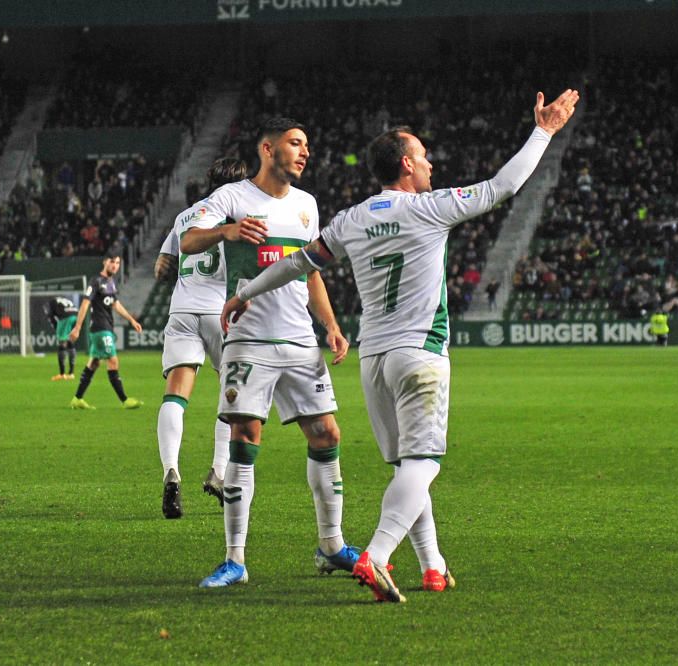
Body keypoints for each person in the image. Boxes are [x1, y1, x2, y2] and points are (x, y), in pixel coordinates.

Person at [222, 89, 580, 602]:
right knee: (424, 463)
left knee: (407, 465)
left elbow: (298, 263)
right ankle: (378, 555)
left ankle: (432, 564)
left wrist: (245, 293)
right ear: (408, 164)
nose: (432, 163)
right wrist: (544, 131)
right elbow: (504, 186)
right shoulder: (432, 207)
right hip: (421, 355)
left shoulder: (351, 219)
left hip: (374, 360)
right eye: (425, 156)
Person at [181, 118, 358, 587]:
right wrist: (227, 232)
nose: (304, 152)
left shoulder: (307, 205)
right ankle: (235, 560)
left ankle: (332, 546)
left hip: (300, 339)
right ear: (267, 148)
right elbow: (186, 241)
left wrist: (332, 326)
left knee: (326, 433)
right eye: (295, 143)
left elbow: (312, 271)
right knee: (246, 436)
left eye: (307, 145)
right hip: (249, 338)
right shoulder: (231, 198)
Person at [154, 157, 249, 519]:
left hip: (181, 311)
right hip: (220, 313)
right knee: (234, 392)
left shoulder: (185, 216)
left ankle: (171, 470)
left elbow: (162, 266)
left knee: (175, 395)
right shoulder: (238, 216)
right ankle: (218, 471)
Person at [68, 252, 144, 410]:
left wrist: (131, 320)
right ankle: (124, 400)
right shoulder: (95, 281)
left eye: (117, 263)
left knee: (94, 363)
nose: (115, 265)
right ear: (104, 262)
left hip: (106, 327)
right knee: (113, 360)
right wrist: (77, 327)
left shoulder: (111, 282)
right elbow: (85, 304)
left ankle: (77, 398)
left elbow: (115, 304)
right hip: (100, 328)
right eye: (112, 262)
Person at [45, 296, 79, 380]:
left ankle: (62, 374)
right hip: (76, 315)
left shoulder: (49, 305)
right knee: (70, 342)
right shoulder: (61, 300)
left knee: (62, 342)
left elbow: (51, 317)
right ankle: (71, 373)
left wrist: (57, 329)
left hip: (65, 316)